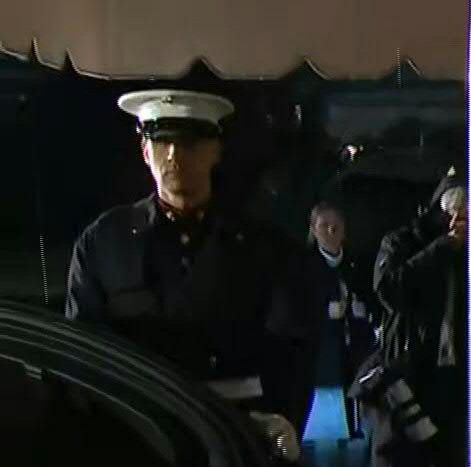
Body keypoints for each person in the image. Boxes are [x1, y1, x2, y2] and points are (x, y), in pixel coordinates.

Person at [66, 90, 307, 430]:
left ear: (215, 152)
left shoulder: (262, 246)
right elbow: (83, 349)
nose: (174, 156)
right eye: (162, 143)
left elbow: (291, 350)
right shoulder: (105, 243)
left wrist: (286, 421)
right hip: (140, 432)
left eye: (189, 143)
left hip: (237, 431)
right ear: (145, 151)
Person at [364, 173, 471, 467]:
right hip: (408, 387)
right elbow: (390, 290)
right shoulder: (403, 241)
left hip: (455, 389)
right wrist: (443, 249)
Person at [291, 200, 378, 442]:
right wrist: (322, 311)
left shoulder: (356, 264)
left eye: (336, 226)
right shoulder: (303, 265)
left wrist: (363, 311)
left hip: (355, 346)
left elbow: (371, 296)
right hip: (320, 351)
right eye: (324, 225)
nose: (331, 231)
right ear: (313, 229)